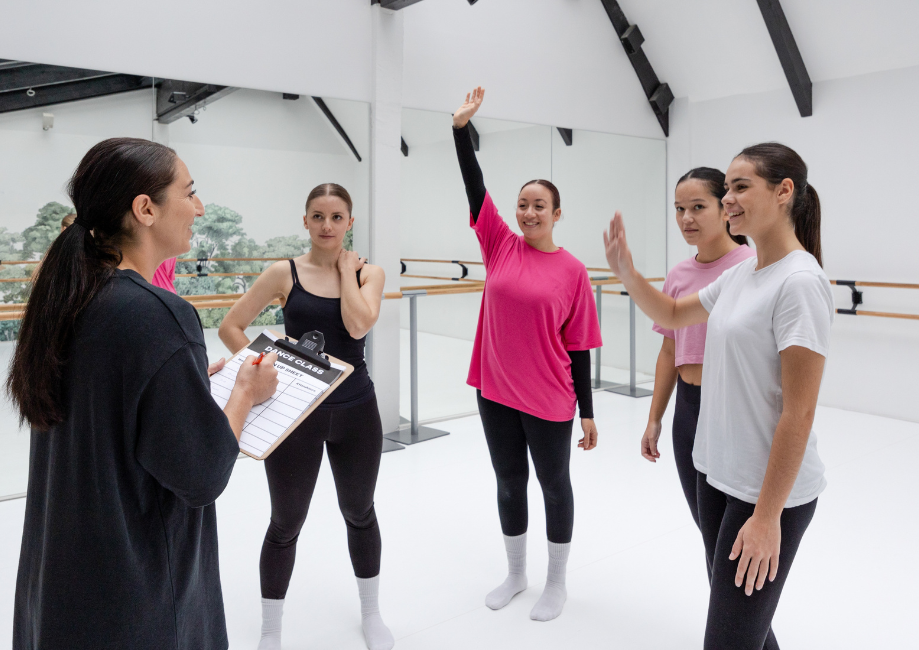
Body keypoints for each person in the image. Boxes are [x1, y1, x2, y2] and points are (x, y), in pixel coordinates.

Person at [9, 137, 279, 650]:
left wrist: (185, 383)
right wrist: (244, 391)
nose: (199, 207)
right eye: (190, 191)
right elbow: (201, 476)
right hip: (137, 596)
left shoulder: (69, 299)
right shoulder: (157, 313)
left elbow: (112, 405)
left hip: (64, 579)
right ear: (145, 209)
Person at [604, 143, 832, 649]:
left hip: (765, 493)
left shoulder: (799, 283)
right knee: (744, 625)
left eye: (740, 186)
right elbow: (672, 313)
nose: (727, 198)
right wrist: (626, 272)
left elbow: (799, 412)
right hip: (716, 473)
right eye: (726, 187)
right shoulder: (742, 273)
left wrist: (768, 517)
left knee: (728, 638)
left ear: (784, 191)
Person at [219, 183, 391, 650]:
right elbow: (230, 325)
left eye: (337, 217)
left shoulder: (369, 274)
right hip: (296, 415)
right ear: (305, 221)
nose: (327, 226)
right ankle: (271, 630)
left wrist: (343, 271)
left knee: (360, 513)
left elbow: (358, 325)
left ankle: (371, 613)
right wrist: (263, 368)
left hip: (356, 410)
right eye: (318, 216)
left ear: (350, 223)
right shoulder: (284, 272)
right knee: (285, 522)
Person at [452, 87, 602, 623]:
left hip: (548, 397)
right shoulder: (499, 244)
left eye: (539, 205)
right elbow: (475, 188)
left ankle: (556, 583)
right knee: (509, 482)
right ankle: (517, 573)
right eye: (523, 204)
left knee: (554, 486)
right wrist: (460, 132)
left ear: (557, 213)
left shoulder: (573, 271)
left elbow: (580, 345)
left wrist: (587, 411)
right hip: (494, 389)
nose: (529, 212)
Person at [643, 168, 755, 531]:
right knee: (707, 527)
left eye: (697, 206)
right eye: (679, 209)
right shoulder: (678, 275)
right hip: (688, 410)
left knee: (734, 529)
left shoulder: (748, 267)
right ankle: (716, 589)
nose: (686, 218)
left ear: (725, 209)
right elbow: (668, 351)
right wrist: (655, 418)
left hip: (732, 408)